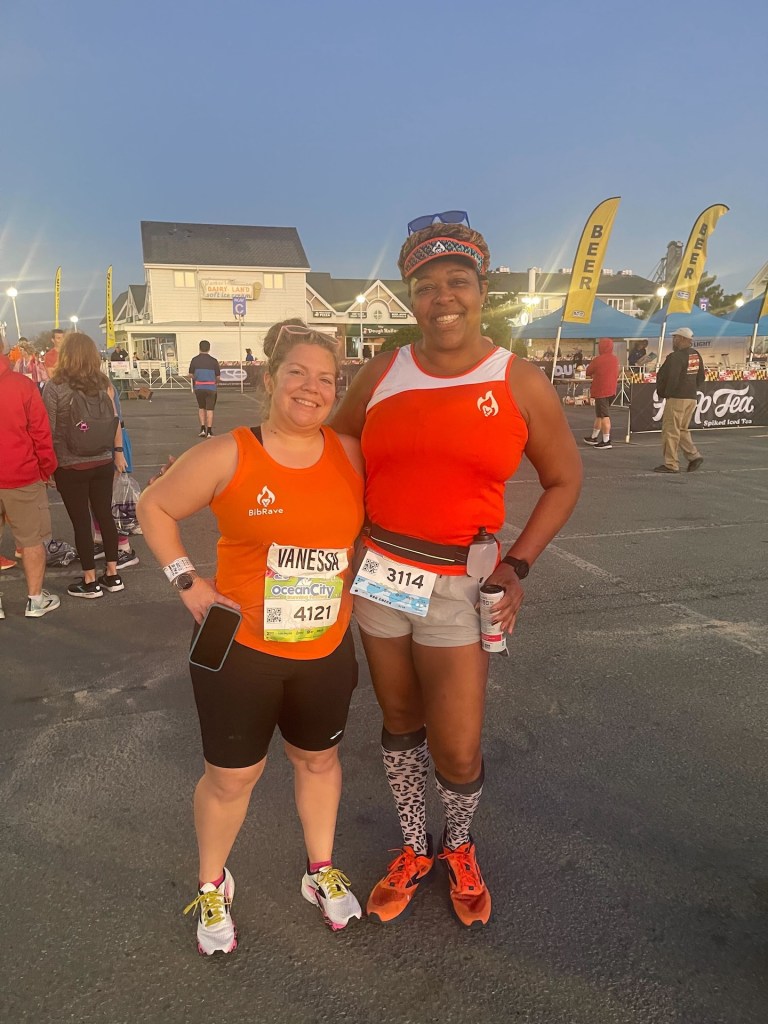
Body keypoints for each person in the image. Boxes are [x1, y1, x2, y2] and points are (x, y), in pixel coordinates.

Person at [331, 216, 582, 928]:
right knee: (399, 722)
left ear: (482, 290)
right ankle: (417, 847)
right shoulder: (383, 372)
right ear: (411, 298)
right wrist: (337, 528)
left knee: (459, 744)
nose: (442, 297)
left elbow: (564, 480)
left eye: (457, 281)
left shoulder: (518, 380)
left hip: (458, 588)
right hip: (380, 577)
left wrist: (518, 564)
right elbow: (338, 441)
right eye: (425, 286)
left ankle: (460, 846)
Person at [137, 321, 365, 955]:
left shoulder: (352, 454)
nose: (311, 388)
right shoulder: (229, 453)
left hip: (325, 650)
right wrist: (187, 582)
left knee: (318, 761)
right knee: (232, 779)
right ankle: (213, 882)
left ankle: (320, 869)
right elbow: (154, 506)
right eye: (298, 373)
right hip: (243, 654)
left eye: (326, 378)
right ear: (270, 379)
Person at [42, 332, 128, 597]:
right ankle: (112, 574)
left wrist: (48, 466)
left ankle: (90, 580)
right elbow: (115, 421)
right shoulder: (104, 384)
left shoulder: (55, 387)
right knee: (104, 515)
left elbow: (49, 430)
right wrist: (118, 453)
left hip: (70, 465)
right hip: (102, 460)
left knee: (81, 522)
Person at [0, 336, 60, 618]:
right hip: (21, 475)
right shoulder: (22, 386)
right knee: (32, 540)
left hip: (18, 474)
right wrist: (46, 468)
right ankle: (35, 600)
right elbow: (40, 432)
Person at [653, 326, 705, 473]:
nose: (673, 340)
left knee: (670, 431)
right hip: (691, 397)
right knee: (681, 429)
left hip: (677, 398)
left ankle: (671, 464)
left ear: (682, 339)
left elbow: (672, 378)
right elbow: (701, 376)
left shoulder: (675, 357)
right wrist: (691, 388)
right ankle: (694, 456)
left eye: (675, 337)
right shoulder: (695, 354)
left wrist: (666, 393)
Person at [583, 338, 620, 449]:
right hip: (611, 389)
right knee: (600, 414)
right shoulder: (615, 359)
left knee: (604, 415)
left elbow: (588, 371)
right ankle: (594, 437)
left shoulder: (598, 360)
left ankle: (606, 440)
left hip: (601, 390)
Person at [188, 339, 221, 438]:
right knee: (210, 409)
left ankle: (202, 428)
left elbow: (190, 375)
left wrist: (197, 378)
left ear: (199, 348)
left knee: (201, 407)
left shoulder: (194, 360)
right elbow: (218, 377)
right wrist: (214, 382)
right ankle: (209, 431)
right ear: (209, 349)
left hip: (199, 387)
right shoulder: (214, 361)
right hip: (211, 388)